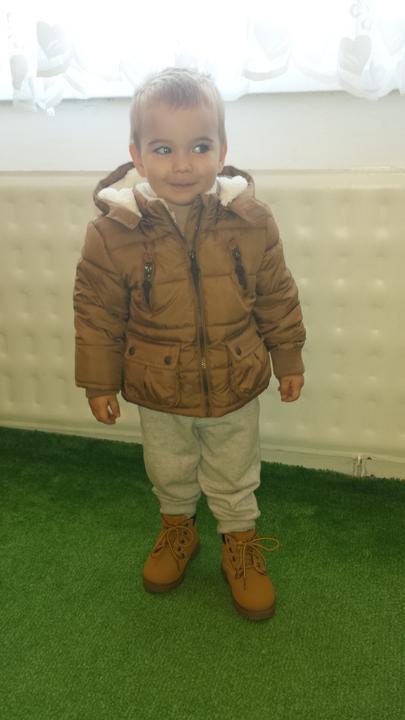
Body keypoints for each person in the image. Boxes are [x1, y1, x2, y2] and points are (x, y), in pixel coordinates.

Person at [73, 67, 306, 621]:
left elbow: (276, 293)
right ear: (137, 155)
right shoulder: (112, 231)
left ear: (222, 150)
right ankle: (178, 528)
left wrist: (288, 357)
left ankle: (239, 540)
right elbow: (97, 315)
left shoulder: (251, 220)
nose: (183, 164)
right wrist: (99, 383)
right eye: (164, 148)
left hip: (236, 378)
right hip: (157, 385)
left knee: (235, 469)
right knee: (169, 467)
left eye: (200, 147)